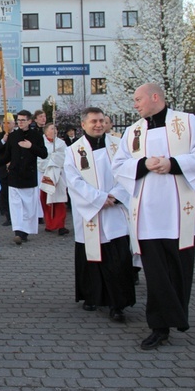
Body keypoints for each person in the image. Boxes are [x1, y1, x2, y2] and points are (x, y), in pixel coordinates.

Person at [112, 83, 195, 350]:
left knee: (179, 269)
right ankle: (160, 326)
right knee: (156, 272)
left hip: (179, 211)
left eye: (138, 99)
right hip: (147, 213)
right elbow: (119, 164)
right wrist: (143, 163)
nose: (135, 104)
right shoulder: (133, 130)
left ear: (155, 97)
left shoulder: (187, 122)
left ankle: (177, 315)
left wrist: (173, 164)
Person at [65, 107, 135, 322]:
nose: (98, 125)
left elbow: (128, 172)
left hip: (115, 211)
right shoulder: (74, 151)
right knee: (92, 258)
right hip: (91, 213)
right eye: (93, 121)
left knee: (118, 259)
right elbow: (73, 181)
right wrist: (98, 199)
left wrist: (114, 196)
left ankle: (118, 305)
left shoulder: (118, 145)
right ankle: (92, 296)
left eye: (101, 121)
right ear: (83, 125)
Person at [0, 110, 48, 245]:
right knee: (16, 206)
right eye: (18, 120)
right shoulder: (13, 136)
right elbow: (7, 155)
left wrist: (31, 147)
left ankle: (25, 232)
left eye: (23, 120)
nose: (20, 123)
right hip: (14, 176)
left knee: (28, 207)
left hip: (29, 176)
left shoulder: (36, 136)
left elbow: (44, 154)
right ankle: (18, 232)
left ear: (30, 121)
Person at [37, 123, 69, 236]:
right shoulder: (41, 142)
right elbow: (40, 157)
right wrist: (49, 161)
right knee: (46, 200)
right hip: (44, 174)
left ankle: (61, 225)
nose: (54, 130)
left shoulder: (61, 143)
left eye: (56, 128)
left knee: (59, 199)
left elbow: (65, 156)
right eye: (52, 128)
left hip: (58, 175)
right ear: (46, 132)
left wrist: (55, 159)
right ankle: (49, 224)